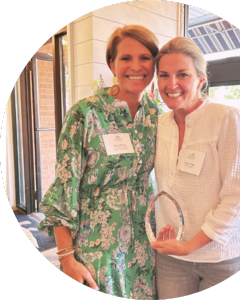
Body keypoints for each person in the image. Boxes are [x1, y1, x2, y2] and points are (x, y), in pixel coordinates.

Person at [38, 25, 159, 299]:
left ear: (154, 63)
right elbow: (64, 189)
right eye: (126, 58)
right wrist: (67, 259)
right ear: (112, 64)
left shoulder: (155, 114)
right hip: (98, 246)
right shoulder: (85, 114)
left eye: (145, 57)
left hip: (144, 245)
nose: (136, 66)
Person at [150, 37, 240, 298]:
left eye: (182, 74)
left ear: (200, 78)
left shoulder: (225, 118)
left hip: (223, 256)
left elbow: (239, 198)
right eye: (164, 75)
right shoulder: (159, 124)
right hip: (172, 255)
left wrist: (190, 246)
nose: (171, 84)